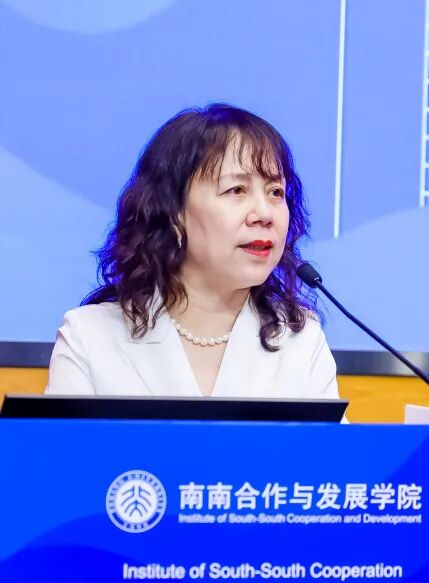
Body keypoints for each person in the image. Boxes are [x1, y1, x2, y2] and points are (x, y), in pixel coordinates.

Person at [45, 103, 341, 402]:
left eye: (275, 192)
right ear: (174, 213)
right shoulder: (90, 338)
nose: (264, 214)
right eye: (236, 190)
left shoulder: (301, 340)